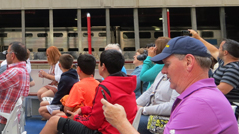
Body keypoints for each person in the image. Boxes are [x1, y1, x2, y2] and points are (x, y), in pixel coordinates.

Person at [101, 36, 238, 134]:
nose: (163, 71)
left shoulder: (199, 103)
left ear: (189, 62)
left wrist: (121, 123)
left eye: (167, 64)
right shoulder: (200, 96)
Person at [39, 49, 137, 134]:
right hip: (118, 129)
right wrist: (84, 109)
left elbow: (93, 123)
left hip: (104, 131)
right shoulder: (127, 84)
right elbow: (102, 111)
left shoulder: (104, 88)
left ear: (103, 66)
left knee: (54, 121)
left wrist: (76, 117)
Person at [189, 29, 239, 119]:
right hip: (222, 105)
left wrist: (199, 93)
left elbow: (222, 90)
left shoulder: (233, 69)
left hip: (230, 109)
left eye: (220, 48)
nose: (218, 49)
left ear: (225, 52)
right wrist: (198, 38)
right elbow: (213, 50)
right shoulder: (223, 62)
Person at [39, 54, 79, 120]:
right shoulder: (74, 75)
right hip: (67, 100)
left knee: (41, 110)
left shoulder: (64, 79)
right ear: (71, 66)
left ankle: (56, 122)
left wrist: (52, 104)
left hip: (63, 102)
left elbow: (60, 95)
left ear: (59, 65)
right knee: (43, 103)